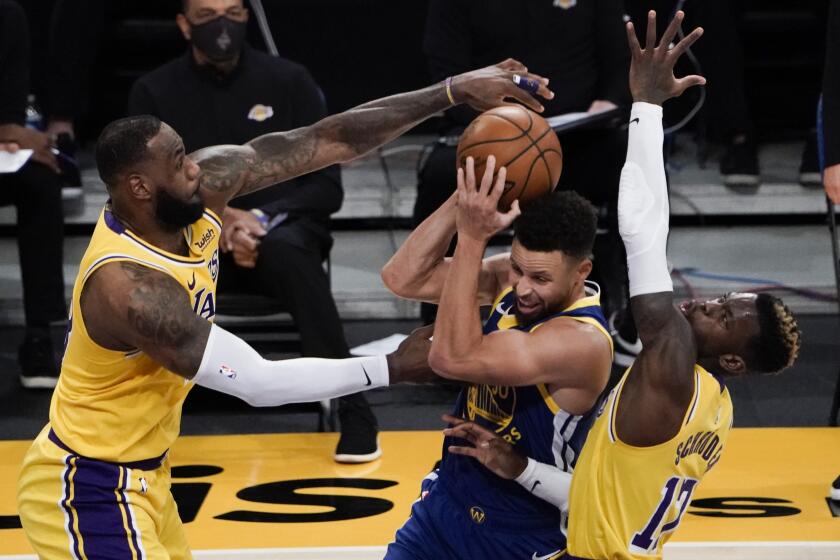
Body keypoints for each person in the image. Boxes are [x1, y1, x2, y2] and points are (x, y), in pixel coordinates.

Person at [15, 60, 552, 558]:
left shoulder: (204, 186)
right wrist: (389, 367)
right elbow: (255, 380)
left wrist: (452, 90)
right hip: (88, 484)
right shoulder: (128, 287)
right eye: (179, 163)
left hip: (145, 476)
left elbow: (330, 138)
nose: (196, 170)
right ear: (138, 187)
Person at [442, 12, 802, 560]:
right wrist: (521, 468)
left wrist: (647, 107)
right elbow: (603, 495)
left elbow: (641, 232)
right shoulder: (715, 412)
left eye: (723, 318)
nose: (706, 303)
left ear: (732, 361)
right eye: (723, 300)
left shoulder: (673, 362)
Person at [127, 0, 378, 463]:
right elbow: (142, 190)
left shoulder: (289, 81)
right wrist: (215, 220)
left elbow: (326, 189)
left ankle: (353, 407)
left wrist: (259, 221)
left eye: (234, 12)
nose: (222, 25)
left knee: (289, 252)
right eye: (206, 16)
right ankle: (132, 418)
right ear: (183, 24)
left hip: (274, 243)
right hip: (188, 246)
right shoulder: (154, 92)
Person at [381, 160, 613, 557]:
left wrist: (471, 239)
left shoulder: (582, 341)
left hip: (520, 529)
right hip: (447, 504)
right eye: (518, 268)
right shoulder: (515, 277)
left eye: (540, 279)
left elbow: (451, 359)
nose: (521, 287)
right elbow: (402, 278)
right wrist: (465, 201)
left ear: (582, 271)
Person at [417, 0, 638, 367]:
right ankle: (435, 328)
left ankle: (628, 315)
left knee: (631, 162)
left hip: (577, 137)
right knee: (441, 172)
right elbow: (446, 78)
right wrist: (500, 125)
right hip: (494, 135)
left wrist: (609, 102)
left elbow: (619, 60)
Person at [0, 0, 67, 389]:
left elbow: (9, 115)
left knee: (41, 180)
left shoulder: (8, 15)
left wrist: (11, 133)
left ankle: (40, 334)